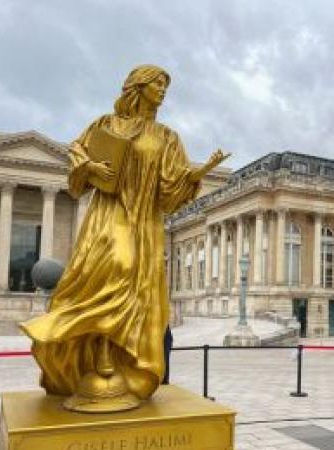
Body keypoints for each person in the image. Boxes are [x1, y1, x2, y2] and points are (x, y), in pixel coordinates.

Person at [21, 65, 228, 411]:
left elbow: (169, 189)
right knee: (116, 267)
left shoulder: (167, 137)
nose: (163, 89)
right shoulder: (105, 125)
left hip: (144, 222)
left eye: (166, 85)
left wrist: (201, 172)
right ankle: (85, 347)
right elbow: (77, 159)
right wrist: (89, 168)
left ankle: (111, 363)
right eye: (157, 83)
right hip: (109, 214)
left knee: (134, 285)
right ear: (138, 86)